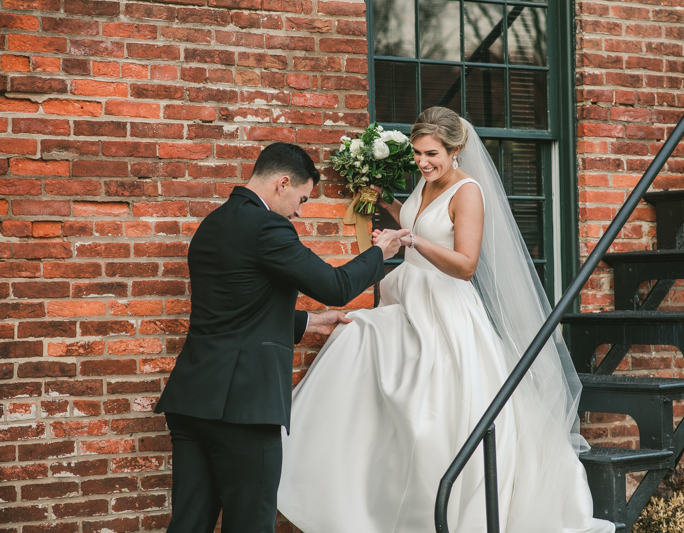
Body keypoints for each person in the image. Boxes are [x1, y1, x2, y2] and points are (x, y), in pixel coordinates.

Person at [277, 108, 616, 533]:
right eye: (418, 153)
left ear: (456, 150)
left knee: (437, 418)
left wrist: (411, 240)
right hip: (407, 299)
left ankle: (444, 509)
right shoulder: (427, 181)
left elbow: (465, 264)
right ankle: (336, 476)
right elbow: (415, 218)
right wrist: (384, 202)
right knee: (356, 338)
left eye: (431, 153)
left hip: (444, 311)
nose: (422, 162)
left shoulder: (467, 192)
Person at [154, 142, 407, 533]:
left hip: (190, 401)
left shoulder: (213, 224)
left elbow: (235, 310)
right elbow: (336, 286)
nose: (299, 211)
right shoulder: (267, 226)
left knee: (188, 524)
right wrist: (380, 252)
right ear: (283, 183)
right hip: (243, 408)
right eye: (302, 198)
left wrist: (308, 323)